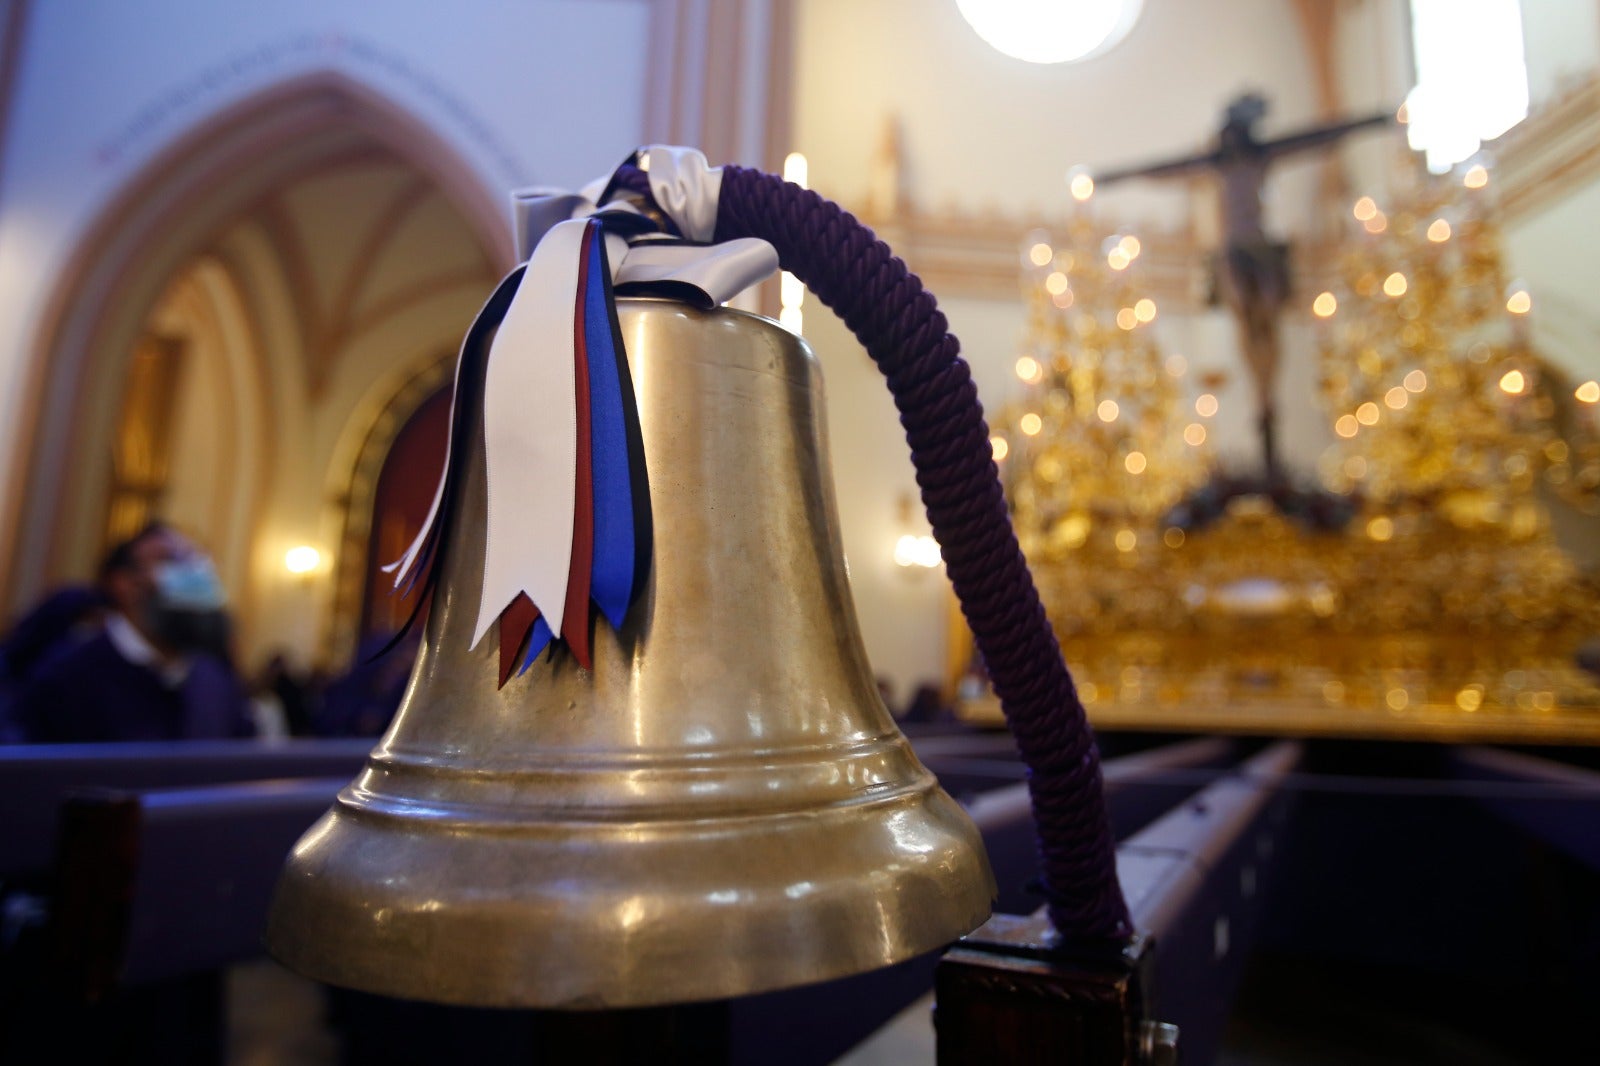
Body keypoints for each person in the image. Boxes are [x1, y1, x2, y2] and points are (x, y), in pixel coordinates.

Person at [16, 522, 254, 742]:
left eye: (197, 561)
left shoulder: (216, 683)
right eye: (172, 560)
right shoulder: (66, 677)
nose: (193, 575)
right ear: (125, 584)